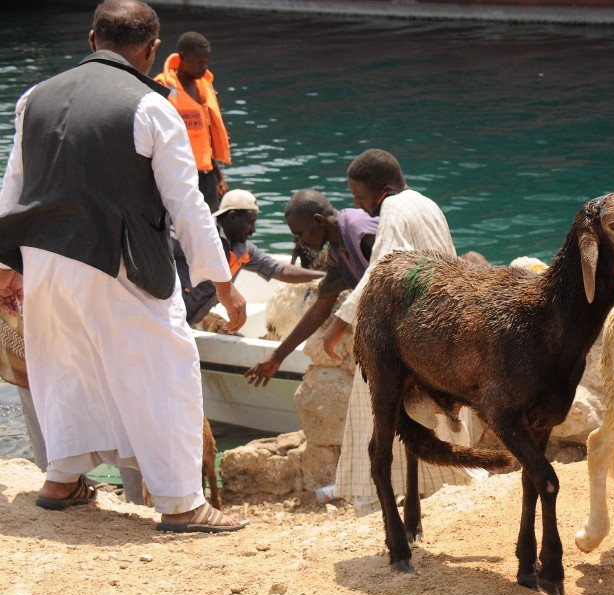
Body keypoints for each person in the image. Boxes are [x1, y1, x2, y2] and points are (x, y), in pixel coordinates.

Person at [0, 0, 248, 532]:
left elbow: (14, 186)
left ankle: (61, 478)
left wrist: (6, 265)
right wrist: (223, 284)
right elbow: (187, 205)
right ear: (153, 48)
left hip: (43, 259)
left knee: (63, 361)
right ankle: (182, 502)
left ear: (92, 39)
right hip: (115, 261)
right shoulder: (151, 107)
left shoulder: (32, 98)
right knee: (169, 365)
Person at [321, 149, 486, 512]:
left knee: (374, 405)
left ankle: (370, 498)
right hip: (442, 323)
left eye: (359, 196)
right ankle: (438, 485)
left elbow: (382, 268)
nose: (357, 205)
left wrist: (339, 325)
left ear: (382, 189)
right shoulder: (428, 204)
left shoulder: (393, 209)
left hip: (408, 326)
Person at [243, 188, 378, 385]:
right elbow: (320, 309)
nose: (299, 241)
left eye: (299, 233)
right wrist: (277, 357)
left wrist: (340, 323)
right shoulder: (335, 253)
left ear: (318, 221)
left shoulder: (361, 229)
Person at [176, 188, 325, 325]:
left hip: (188, 320)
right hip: (169, 314)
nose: (253, 230)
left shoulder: (243, 249)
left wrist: (325, 275)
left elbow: (282, 271)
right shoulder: (198, 235)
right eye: (250, 222)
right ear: (232, 217)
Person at [154, 31, 229, 212]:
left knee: (211, 225)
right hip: (178, 176)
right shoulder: (162, 88)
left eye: (206, 63)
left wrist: (219, 178)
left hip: (206, 175)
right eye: (198, 63)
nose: (204, 68)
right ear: (182, 57)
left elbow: (205, 138)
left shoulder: (204, 86)